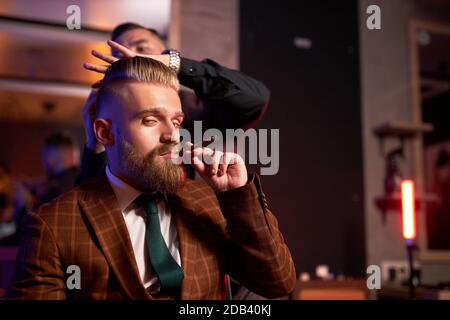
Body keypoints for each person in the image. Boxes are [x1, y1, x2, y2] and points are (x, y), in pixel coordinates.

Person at [7, 57, 295, 300]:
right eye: (150, 120)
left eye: (177, 121)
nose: (172, 134)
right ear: (105, 133)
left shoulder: (209, 201)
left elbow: (276, 282)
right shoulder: (52, 224)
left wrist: (237, 195)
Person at [77, 22, 270, 184]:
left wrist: (175, 63)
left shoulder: (195, 110)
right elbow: (90, 207)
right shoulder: (110, 118)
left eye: (141, 48)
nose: (129, 56)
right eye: (118, 54)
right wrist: (96, 145)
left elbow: (254, 99)